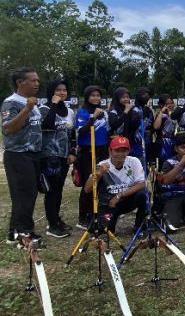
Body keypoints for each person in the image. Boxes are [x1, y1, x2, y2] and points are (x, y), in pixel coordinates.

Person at [1, 68, 42, 244]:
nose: (37, 84)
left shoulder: (30, 102)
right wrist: (26, 109)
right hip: (18, 154)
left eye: (37, 80)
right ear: (20, 82)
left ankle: (15, 232)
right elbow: (8, 128)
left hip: (32, 154)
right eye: (33, 80)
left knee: (28, 193)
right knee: (24, 194)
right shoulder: (12, 103)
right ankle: (24, 232)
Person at [84, 136, 146, 233]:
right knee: (102, 231)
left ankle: (139, 226)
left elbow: (142, 184)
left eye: (124, 151)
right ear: (110, 150)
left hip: (126, 199)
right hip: (109, 204)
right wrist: (98, 174)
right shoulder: (102, 165)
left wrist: (119, 195)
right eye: (117, 151)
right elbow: (87, 189)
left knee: (143, 194)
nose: (120, 154)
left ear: (128, 151)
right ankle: (107, 223)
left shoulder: (134, 161)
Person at [39, 79, 76, 238]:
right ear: (51, 92)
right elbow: (46, 125)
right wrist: (53, 105)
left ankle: (57, 218)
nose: (62, 93)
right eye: (58, 90)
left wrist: (72, 151)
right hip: (49, 156)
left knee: (59, 189)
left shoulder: (69, 111)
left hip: (63, 155)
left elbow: (71, 134)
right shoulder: (44, 108)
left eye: (64, 90)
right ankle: (52, 224)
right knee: (51, 190)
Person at [75, 85, 109, 230]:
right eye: (93, 95)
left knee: (101, 182)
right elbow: (80, 131)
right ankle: (83, 216)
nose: (96, 98)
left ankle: (95, 211)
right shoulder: (82, 113)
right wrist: (93, 117)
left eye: (98, 95)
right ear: (87, 97)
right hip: (88, 152)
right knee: (89, 183)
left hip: (102, 150)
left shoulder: (104, 113)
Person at [129, 87, 154, 163]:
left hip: (147, 142)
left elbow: (151, 125)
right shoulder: (133, 109)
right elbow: (131, 125)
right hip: (136, 142)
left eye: (148, 95)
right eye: (144, 95)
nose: (146, 97)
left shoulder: (149, 110)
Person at [153, 94, 177, 167]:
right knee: (164, 162)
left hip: (172, 141)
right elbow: (156, 127)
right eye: (167, 104)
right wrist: (161, 112)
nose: (170, 105)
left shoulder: (172, 114)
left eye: (171, 103)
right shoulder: (161, 115)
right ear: (161, 105)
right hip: (163, 142)